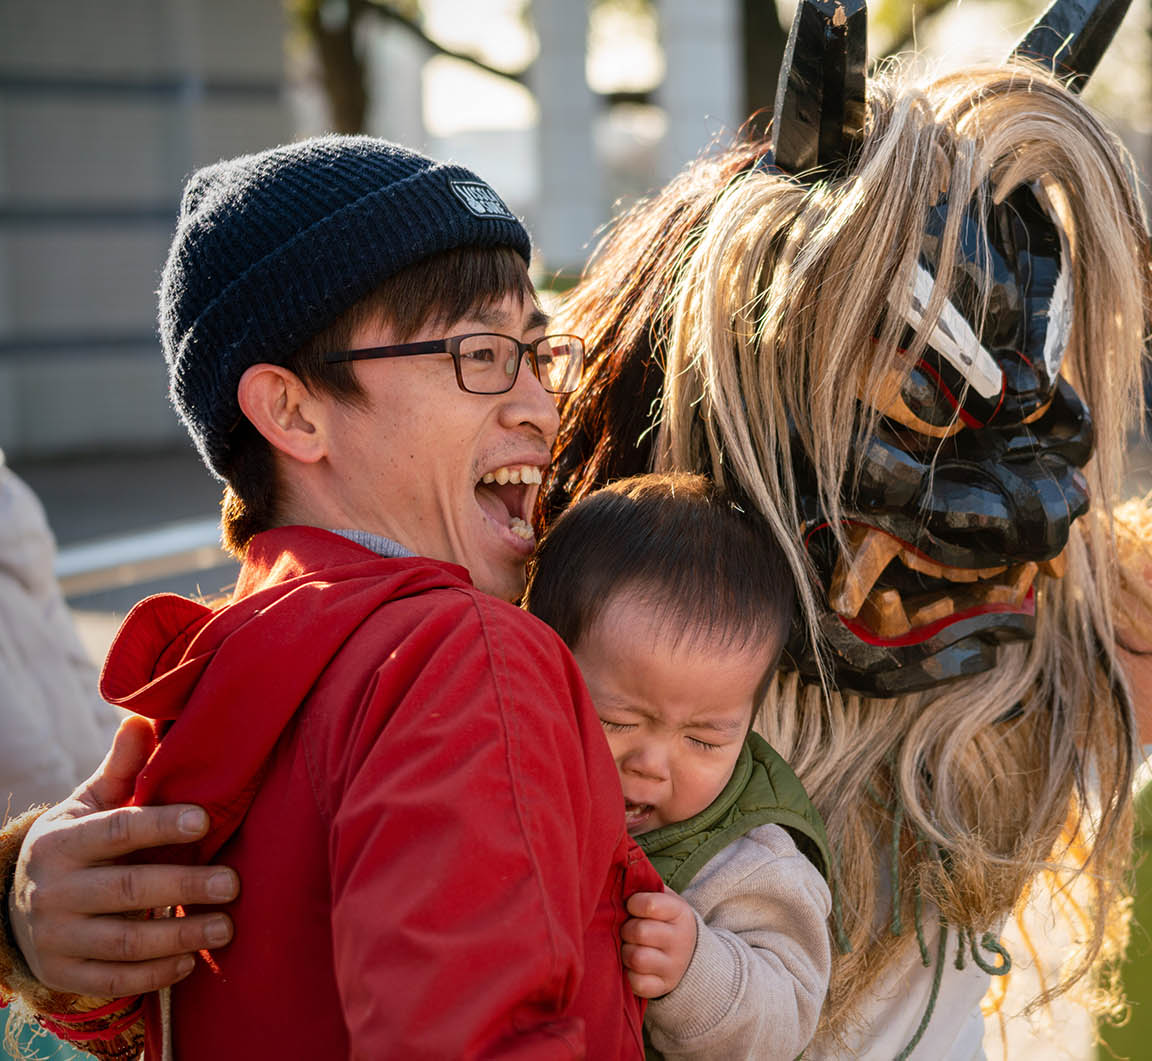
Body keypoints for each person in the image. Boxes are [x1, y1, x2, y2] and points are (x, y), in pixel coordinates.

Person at [1, 3, 1152, 1057]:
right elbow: (185, 852)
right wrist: (21, 902)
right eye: (921, 381)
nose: (1005, 471)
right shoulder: (551, 593)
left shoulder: (1023, 642)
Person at [0, 135, 660, 1059]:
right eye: (479, 352)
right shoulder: (462, 655)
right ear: (294, 411)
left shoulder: (212, 671)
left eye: (535, 354)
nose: (540, 407)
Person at [527, 472, 833, 1059]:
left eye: (704, 740)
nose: (652, 765)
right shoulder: (507, 772)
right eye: (617, 721)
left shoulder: (750, 864)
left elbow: (788, 1019)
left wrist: (695, 969)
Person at [0, 450, 120, 817]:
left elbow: (72, 657)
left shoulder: (12, 509)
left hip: (50, 811)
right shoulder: (13, 507)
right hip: (54, 805)